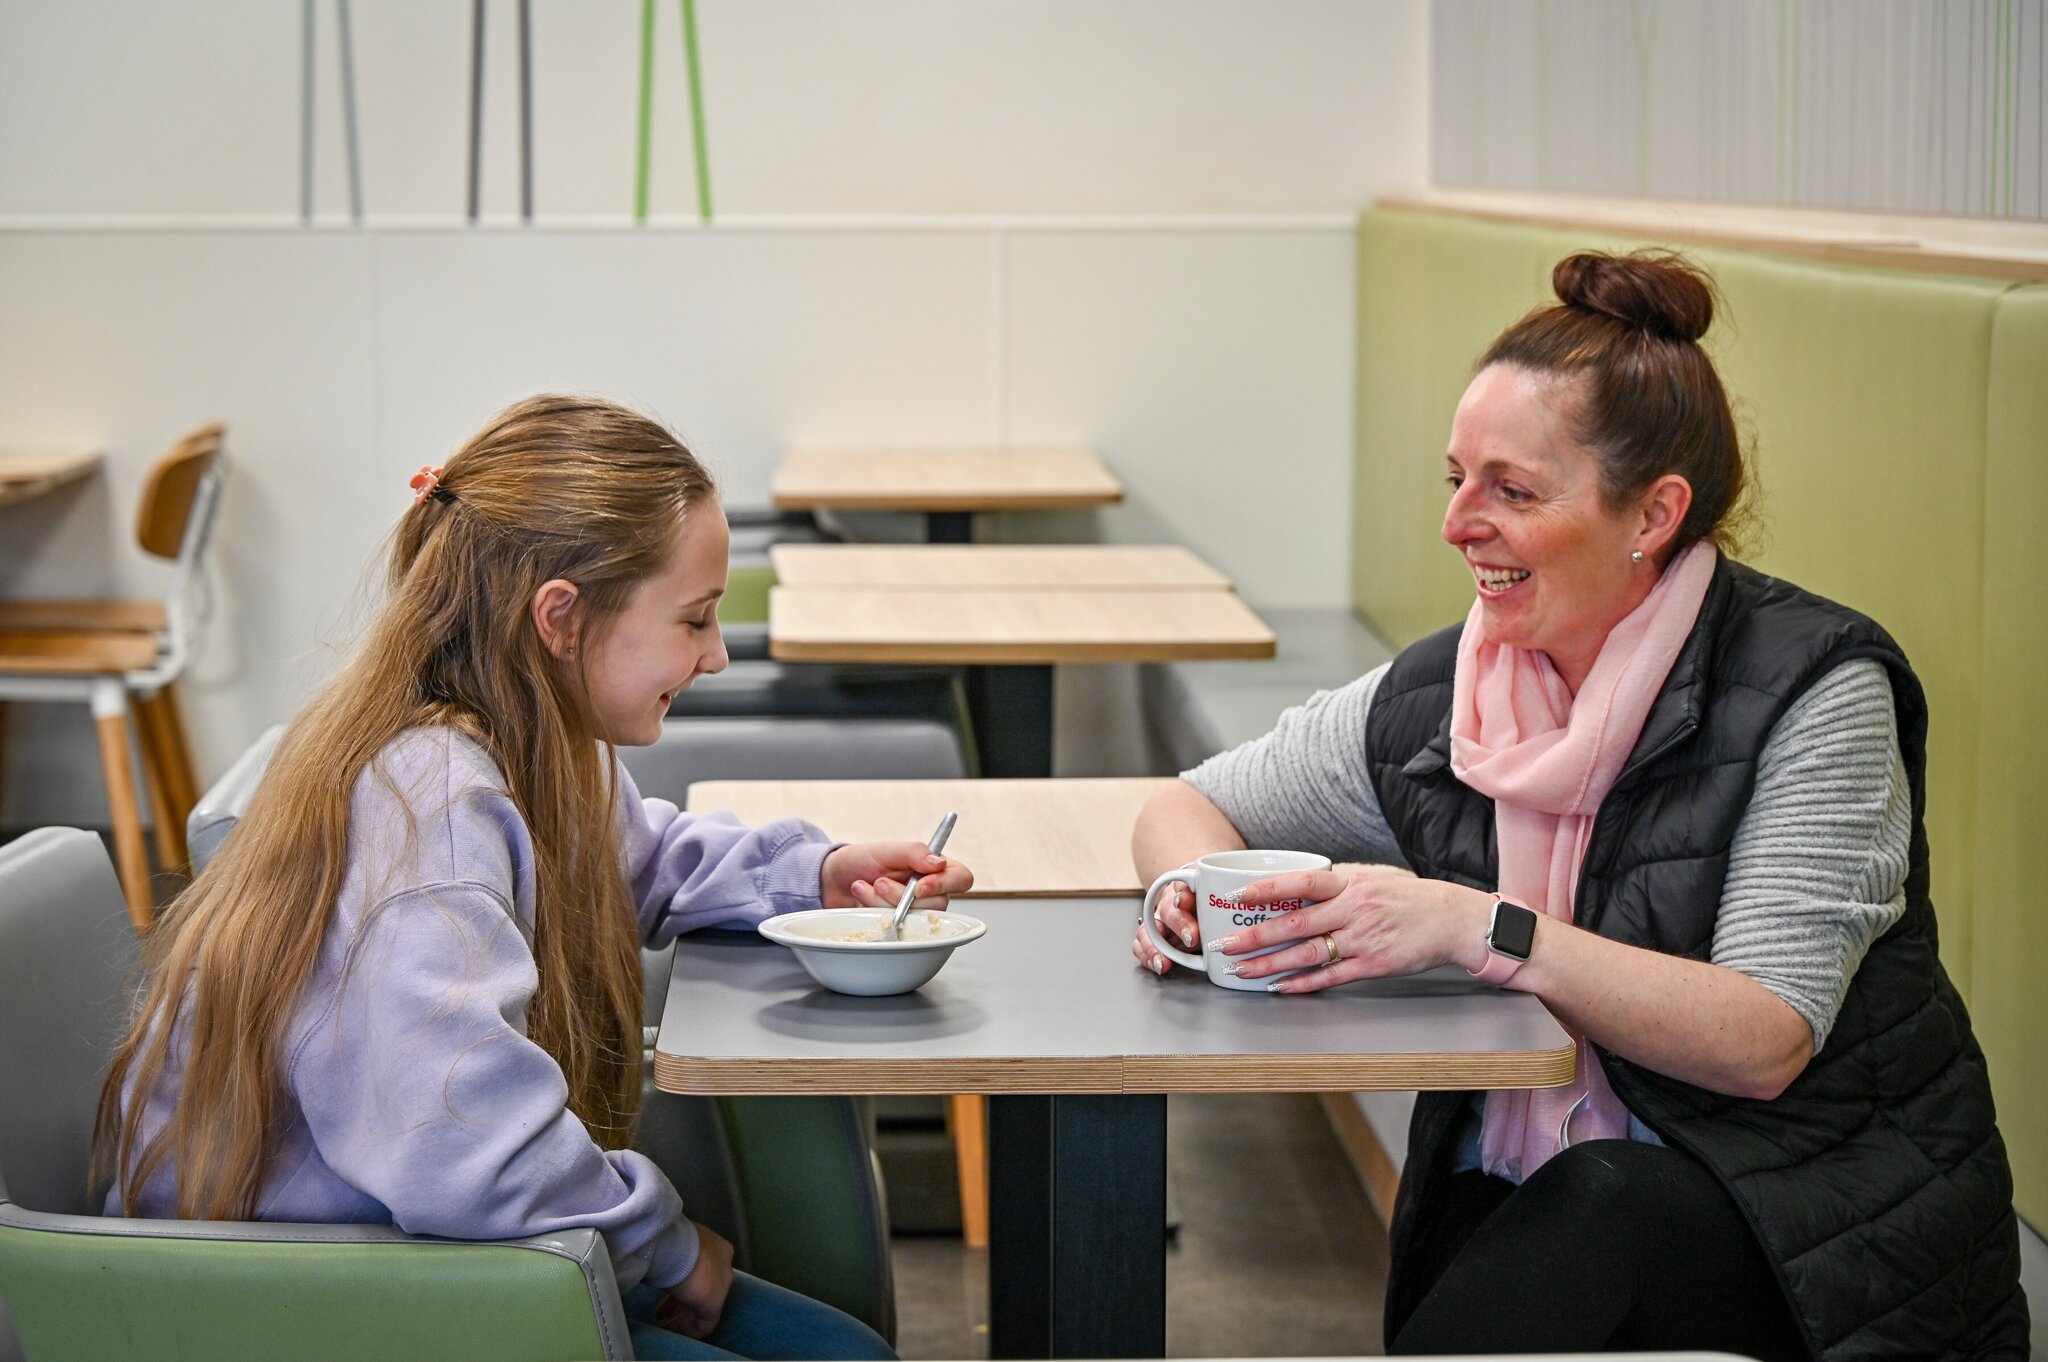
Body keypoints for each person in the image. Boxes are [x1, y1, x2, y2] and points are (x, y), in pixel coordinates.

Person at [1131, 252, 2029, 1360]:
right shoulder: (1448, 690)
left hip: (1819, 1228)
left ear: (1652, 512)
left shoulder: (1813, 692)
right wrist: (1181, 896)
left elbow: (1761, 1040)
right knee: (1535, 1209)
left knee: (1596, 1200)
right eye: (1453, 478)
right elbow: (1189, 803)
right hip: (1541, 1180)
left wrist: (1479, 928)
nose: (1459, 523)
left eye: (1510, 490)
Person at [97, 395, 971, 1361]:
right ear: (560, 616)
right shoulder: (428, 805)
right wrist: (668, 1247)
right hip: (313, 1287)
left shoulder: (529, 742)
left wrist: (812, 871)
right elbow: (467, 1143)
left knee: (844, 1352)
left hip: (429, 1241)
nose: (716, 655)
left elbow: (637, 862)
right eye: (694, 619)